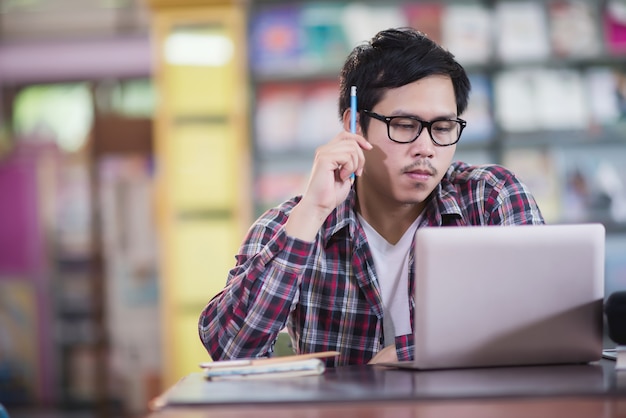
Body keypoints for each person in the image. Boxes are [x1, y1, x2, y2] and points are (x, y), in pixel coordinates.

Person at [199, 27, 544, 366]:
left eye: (442, 128)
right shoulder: (294, 223)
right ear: (355, 126)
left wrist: (415, 351)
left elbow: (545, 321)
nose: (425, 149)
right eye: (405, 125)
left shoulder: (490, 198)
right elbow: (231, 352)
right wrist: (313, 211)